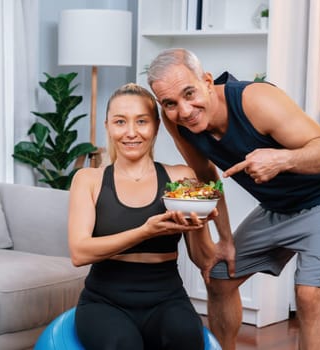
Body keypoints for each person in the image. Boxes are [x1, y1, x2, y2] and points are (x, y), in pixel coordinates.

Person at [146, 48, 320, 350]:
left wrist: (282, 159)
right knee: (220, 276)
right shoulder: (177, 121)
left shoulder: (256, 100)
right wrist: (223, 239)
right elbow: (205, 173)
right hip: (280, 206)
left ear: (207, 81)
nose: (184, 111)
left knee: (309, 296)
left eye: (190, 93)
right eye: (169, 103)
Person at [68, 82, 218, 350]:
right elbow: (79, 253)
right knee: (122, 345)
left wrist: (201, 223)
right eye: (120, 122)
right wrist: (145, 231)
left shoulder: (180, 176)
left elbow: (205, 260)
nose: (131, 133)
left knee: (186, 338)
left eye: (141, 121)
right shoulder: (89, 180)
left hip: (167, 299)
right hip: (104, 302)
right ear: (107, 127)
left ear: (157, 126)